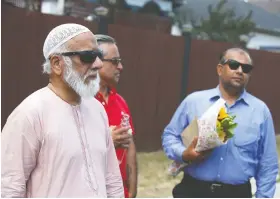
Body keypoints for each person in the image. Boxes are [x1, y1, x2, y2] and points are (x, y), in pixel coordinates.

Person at [1, 23, 124, 198]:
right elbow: (9, 188)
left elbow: (112, 181)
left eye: (98, 56)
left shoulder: (97, 110)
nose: (97, 64)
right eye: (87, 57)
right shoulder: (30, 114)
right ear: (57, 63)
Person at [162, 47, 279, 198]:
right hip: (193, 190)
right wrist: (184, 154)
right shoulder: (194, 102)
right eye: (233, 64)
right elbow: (170, 136)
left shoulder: (260, 111)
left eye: (246, 68)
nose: (239, 71)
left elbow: (268, 164)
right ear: (219, 69)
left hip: (236, 193)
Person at [95, 34, 137, 198]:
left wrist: (131, 193)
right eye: (114, 61)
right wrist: (106, 141)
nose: (120, 67)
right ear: (96, 62)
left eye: (120, 62)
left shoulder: (120, 102)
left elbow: (130, 148)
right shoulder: (80, 102)